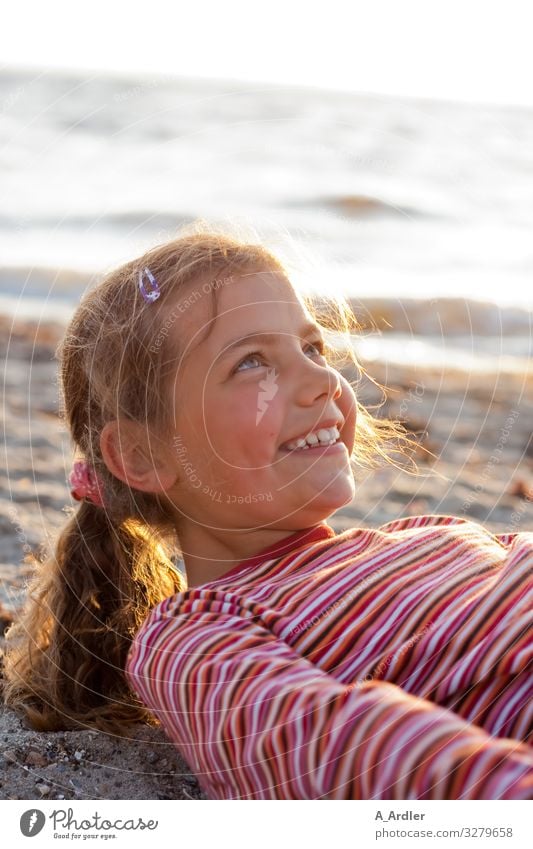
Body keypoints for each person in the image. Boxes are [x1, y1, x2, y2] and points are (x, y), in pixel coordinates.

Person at [2, 220, 532, 800]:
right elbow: (343, 757)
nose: (324, 379)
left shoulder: (423, 532)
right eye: (251, 362)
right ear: (142, 454)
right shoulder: (193, 636)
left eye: (312, 347)